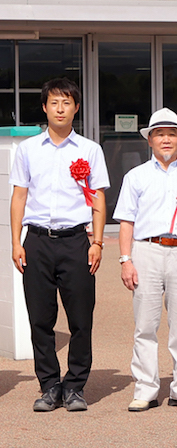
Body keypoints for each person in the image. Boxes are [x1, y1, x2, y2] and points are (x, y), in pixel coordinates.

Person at [10, 78, 109, 412]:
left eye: (67, 102)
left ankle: (75, 386)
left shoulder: (90, 150)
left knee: (81, 318)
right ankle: (49, 385)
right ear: (44, 107)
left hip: (76, 242)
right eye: (54, 102)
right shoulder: (27, 150)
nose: (60, 108)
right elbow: (18, 197)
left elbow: (98, 199)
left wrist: (97, 242)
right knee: (40, 318)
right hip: (36, 241)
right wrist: (16, 242)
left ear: (76, 108)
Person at [114, 109, 177, 413]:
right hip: (146, 252)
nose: (166, 139)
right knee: (145, 325)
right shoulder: (136, 176)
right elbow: (126, 222)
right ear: (149, 139)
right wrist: (125, 260)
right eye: (159, 134)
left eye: (172, 134)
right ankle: (146, 389)